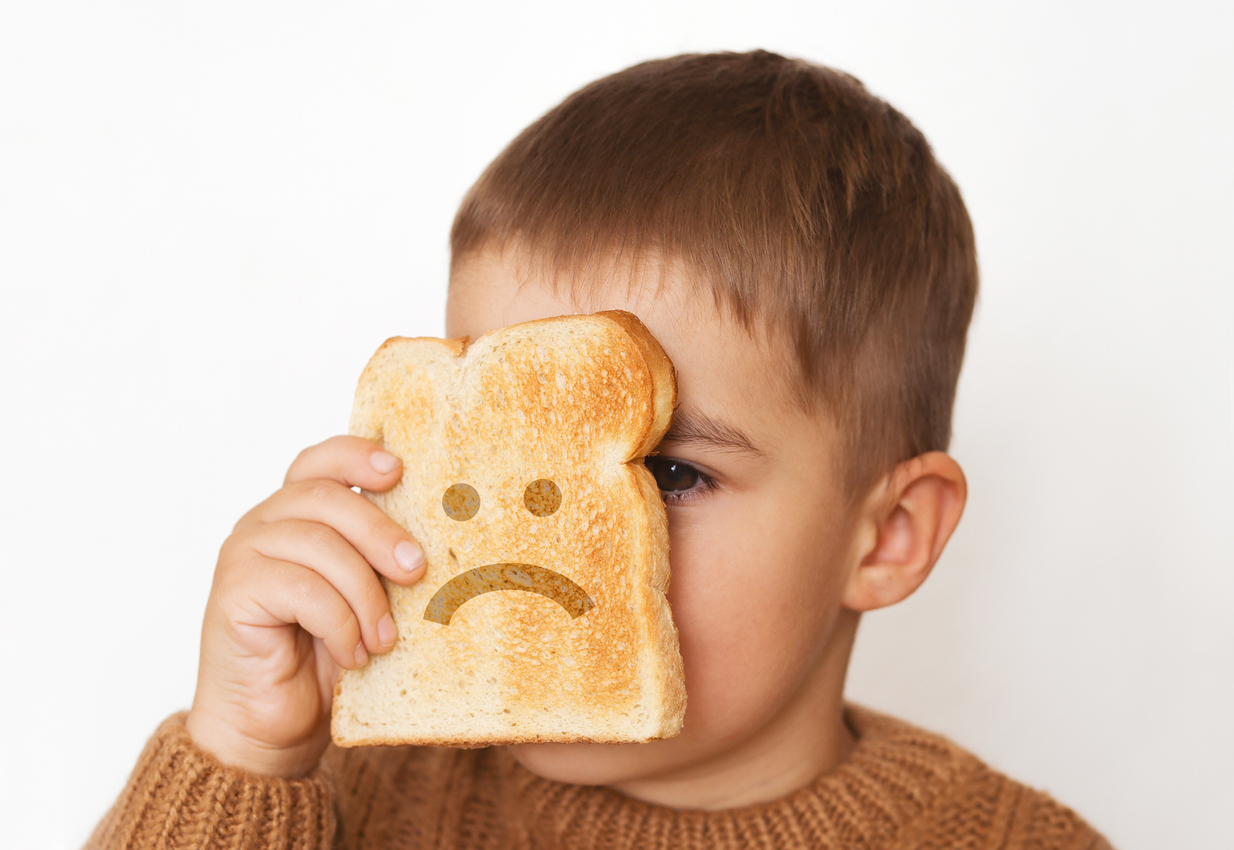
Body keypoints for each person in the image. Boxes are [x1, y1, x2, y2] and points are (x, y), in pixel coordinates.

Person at [88, 50, 1111, 849]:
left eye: (668, 473)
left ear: (886, 534)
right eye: (487, 449)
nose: (539, 548)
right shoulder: (349, 797)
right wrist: (241, 757)